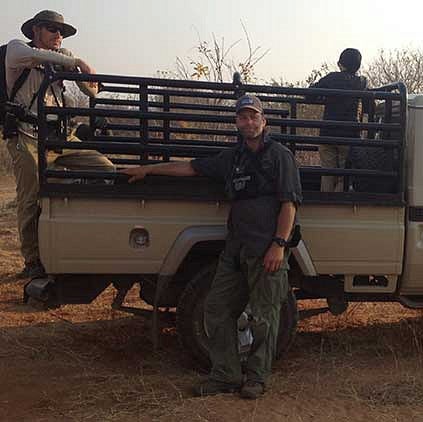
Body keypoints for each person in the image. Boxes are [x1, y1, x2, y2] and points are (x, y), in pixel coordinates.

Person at [121, 94, 302, 400]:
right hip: (236, 249)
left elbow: (289, 204)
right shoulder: (232, 157)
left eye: (253, 116)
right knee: (216, 309)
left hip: (267, 249)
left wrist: (279, 245)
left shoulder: (280, 156)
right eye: (242, 117)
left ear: (263, 120)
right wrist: (149, 170)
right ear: (237, 122)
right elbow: (190, 168)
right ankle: (226, 374)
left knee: (265, 316)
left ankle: (256, 377)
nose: (248, 121)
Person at [3, 10, 114, 279]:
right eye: (52, 29)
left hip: (62, 137)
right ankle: (32, 262)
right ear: (36, 30)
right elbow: (36, 57)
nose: (58, 35)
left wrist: (79, 70)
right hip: (27, 136)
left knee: (106, 170)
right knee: (30, 199)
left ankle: (72, 236)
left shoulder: (63, 57)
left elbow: (92, 91)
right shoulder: (17, 49)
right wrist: (77, 60)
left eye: (61, 31)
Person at [309, 48, 368, 192]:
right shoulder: (361, 82)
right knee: (344, 175)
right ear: (358, 66)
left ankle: (326, 201)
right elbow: (368, 106)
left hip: (328, 133)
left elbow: (309, 95)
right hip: (350, 136)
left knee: (327, 174)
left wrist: (323, 97)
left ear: (340, 64)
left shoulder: (331, 78)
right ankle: (339, 203)